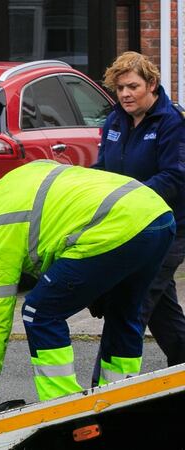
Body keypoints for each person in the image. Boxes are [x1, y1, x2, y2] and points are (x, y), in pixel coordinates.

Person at [0, 158, 174, 416]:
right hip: (156, 215)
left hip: (115, 225)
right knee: (124, 313)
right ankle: (120, 400)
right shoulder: (16, 182)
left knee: (39, 312)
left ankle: (65, 407)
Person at [92, 51, 185, 370]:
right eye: (120, 88)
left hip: (169, 228)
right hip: (129, 225)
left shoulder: (172, 122)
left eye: (132, 86)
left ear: (152, 84)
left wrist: (127, 197)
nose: (125, 94)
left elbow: (175, 177)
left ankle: (103, 388)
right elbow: (103, 169)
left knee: (131, 304)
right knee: (162, 310)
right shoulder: (115, 120)